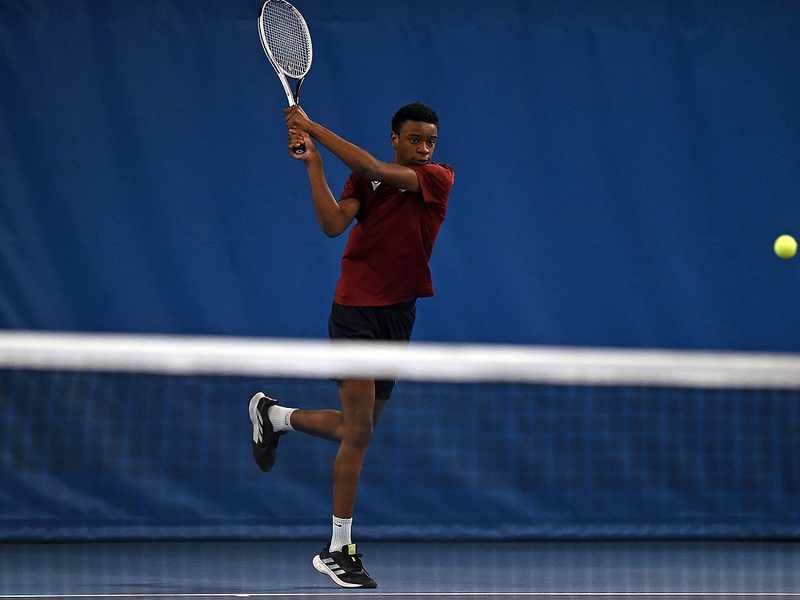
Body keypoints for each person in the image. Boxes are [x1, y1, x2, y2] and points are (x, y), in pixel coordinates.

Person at [248, 101, 454, 589]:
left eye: (430, 140)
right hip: (355, 311)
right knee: (358, 435)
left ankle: (274, 416)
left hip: (398, 315)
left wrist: (312, 126)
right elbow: (333, 224)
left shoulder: (437, 178)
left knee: (355, 430)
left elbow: (369, 166)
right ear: (395, 138)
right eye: (415, 139)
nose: (424, 148)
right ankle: (339, 547)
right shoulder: (365, 181)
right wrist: (314, 163)